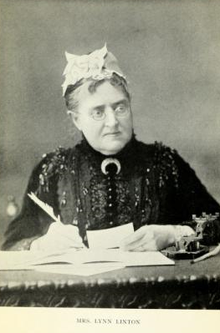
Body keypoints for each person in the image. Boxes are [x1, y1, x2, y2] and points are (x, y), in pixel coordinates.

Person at [2, 45, 220, 252]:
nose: (113, 121)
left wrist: (174, 233)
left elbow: (217, 222)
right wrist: (41, 245)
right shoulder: (53, 171)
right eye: (98, 112)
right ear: (76, 119)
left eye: (120, 107)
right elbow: (11, 245)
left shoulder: (165, 164)